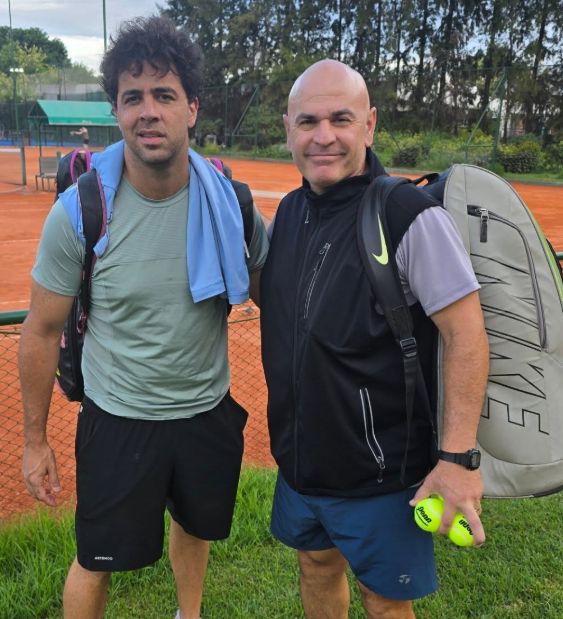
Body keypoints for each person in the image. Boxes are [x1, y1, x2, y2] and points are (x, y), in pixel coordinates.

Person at [19, 16, 268, 619]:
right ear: (117, 111)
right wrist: (33, 441)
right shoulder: (80, 211)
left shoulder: (231, 205)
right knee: (94, 559)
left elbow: (277, 298)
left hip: (206, 412)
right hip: (117, 420)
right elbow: (41, 331)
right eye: (133, 97)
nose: (148, 112)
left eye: (164, 94)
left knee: (194, 528)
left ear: (192, 108)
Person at [260, 59, 489, 619]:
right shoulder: (290, 212)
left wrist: (457, 459)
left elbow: (466, 334)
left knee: (385, 601)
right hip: (302, 461)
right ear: (288, 129)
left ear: (370, 125)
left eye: (341, 119)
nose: (323, 136)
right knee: (316, 566)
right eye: (308, 121)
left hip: (382, 471)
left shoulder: (406, 213)